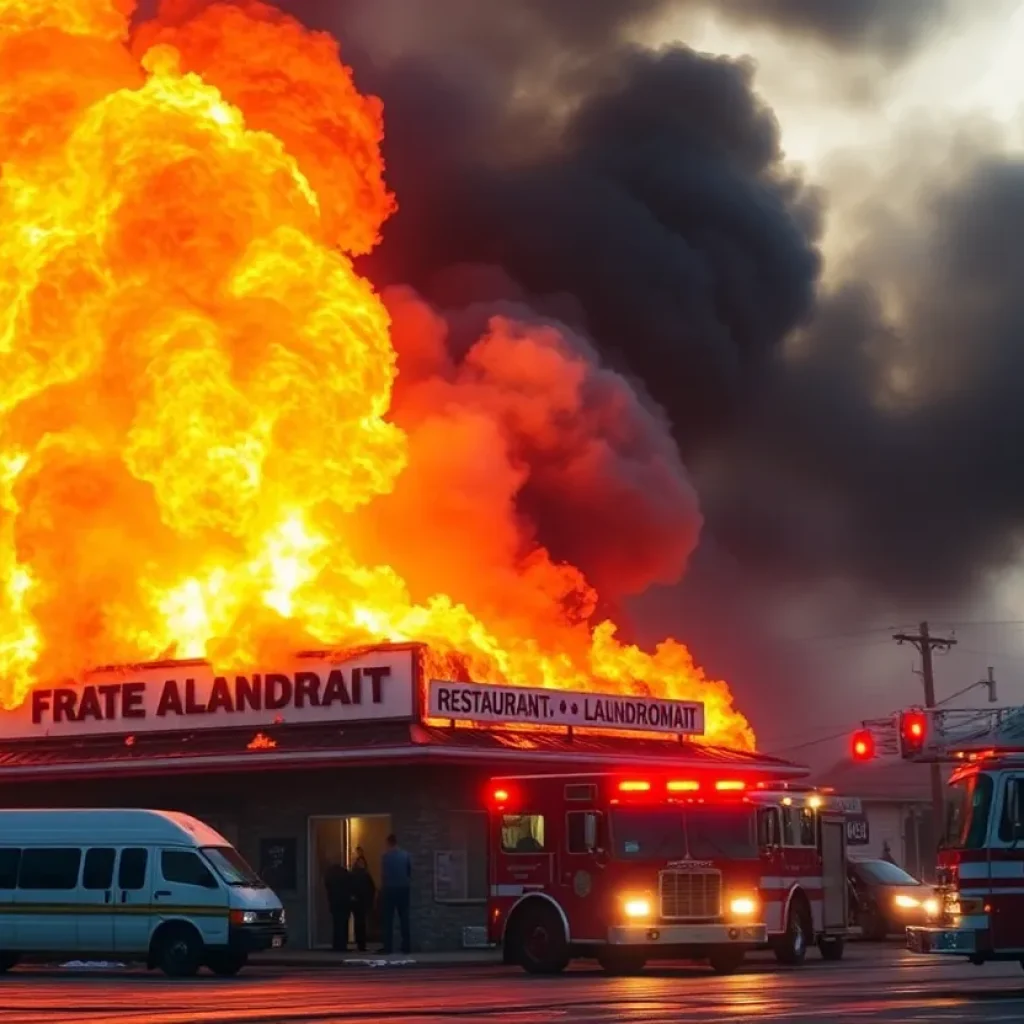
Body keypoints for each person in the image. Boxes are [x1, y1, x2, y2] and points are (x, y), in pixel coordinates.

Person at [379, 833, 411, 954]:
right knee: (404, 918)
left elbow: (384, 875)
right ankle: (406, 946)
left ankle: (388, 947)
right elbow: (409, 872)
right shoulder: (406, 855)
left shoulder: (386, 857)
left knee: (388, 919)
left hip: (390, 889)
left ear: (388, 843)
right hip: (403, 888)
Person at [350, 846, 376, 953]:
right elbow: (371, 888)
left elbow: (371, 888)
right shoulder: (363, 875)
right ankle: (361, 944)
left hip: (360, 901)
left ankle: (361, 943)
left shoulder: (357, 874)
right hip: (360, 901)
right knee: (360, 923)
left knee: (360, 923)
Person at [323, 858, 352, 951]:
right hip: (344, 901)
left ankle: (336, 945)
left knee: (337, 924)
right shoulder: (345, 873)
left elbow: (327, 886)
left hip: (335, 901)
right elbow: (350, 885)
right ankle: (343, 945)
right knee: (343, 924)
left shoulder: (330, 874)